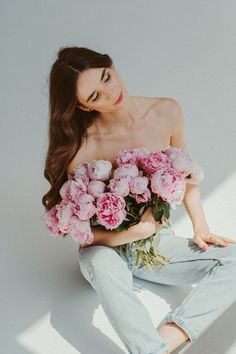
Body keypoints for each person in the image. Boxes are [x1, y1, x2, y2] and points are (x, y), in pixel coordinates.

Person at [42, 46, 236, 354]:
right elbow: (86, 238)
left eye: (106, 77)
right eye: (94, 96)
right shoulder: (83, 149)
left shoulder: (165, 111)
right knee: (100, 261)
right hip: (105, 250)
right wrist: (135, 232)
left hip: (156, 245)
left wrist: (201, 227)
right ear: (82, 107)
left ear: (111, 65)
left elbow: (185, 174)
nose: (110, 92)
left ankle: (160, 346)